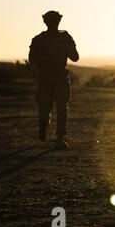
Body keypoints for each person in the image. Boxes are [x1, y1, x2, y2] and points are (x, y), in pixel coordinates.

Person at [29, 10, 79, 149]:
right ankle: (43, 126)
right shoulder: (39, 39)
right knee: (45, 109)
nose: (53, 24)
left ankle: (60, 137)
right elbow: (31, 59)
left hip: (60, 77)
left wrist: (68, 48)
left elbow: (75, 57)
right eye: (50, 21)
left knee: (62, 107)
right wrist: (44, 61)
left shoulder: (65, 37)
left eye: (55, 21)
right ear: (45, 22)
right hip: (45, 77)